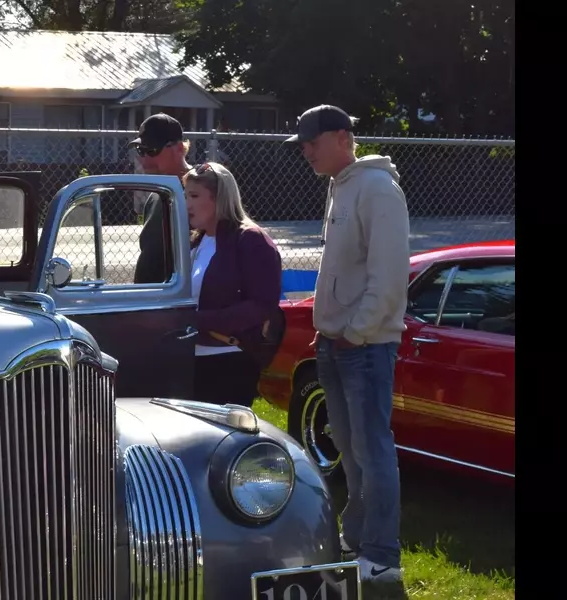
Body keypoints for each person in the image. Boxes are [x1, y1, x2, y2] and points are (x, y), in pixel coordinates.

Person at [285, 104, 410, 585]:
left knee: (373, 449)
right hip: (336, 343)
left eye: (312, 143)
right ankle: (357, 541)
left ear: (342, 137)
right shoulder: (340, 187)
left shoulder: (378, 188)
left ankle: (382, 557)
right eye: (303, 146)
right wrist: (331, 330)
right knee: (350, 449)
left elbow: (389, 275)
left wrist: (357, 332)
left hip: (367, 345)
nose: (306, 153)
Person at [180, 162, 283, 408]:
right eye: (185, 196)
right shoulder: (197, 240)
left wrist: (197, 320)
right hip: (190, 359)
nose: (187, 204)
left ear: (219, 199)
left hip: (230, 361)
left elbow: (262, 304)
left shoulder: (251, 240)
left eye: (194, 196)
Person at [129, 113, 193, 284]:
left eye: (152, 151)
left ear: (179, 148)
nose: (145, 160)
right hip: (150, 300)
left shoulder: (200, 190)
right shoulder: (156, 195)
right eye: (141, 151)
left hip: (177, 301)